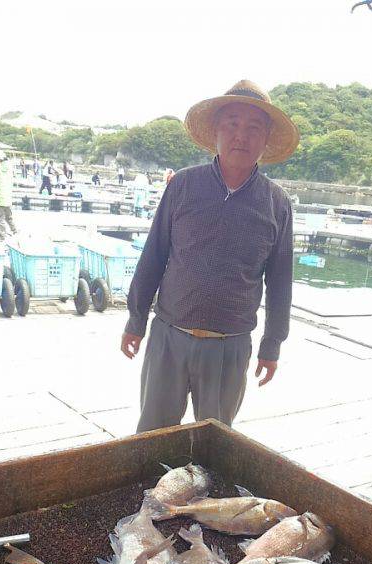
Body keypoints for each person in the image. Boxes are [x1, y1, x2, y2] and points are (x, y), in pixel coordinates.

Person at [121, 79, 299, 433]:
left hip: (229, 348)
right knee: (152, 436)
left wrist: (272, 343)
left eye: (253, 128)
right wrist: (136, 317)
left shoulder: (277, 203)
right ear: (216, 131)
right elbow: (154, 255)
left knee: (215, 445)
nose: (241, 136)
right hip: (169, 336)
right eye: (232, 124)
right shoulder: (183, 185)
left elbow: (280, 283)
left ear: (265, 140)